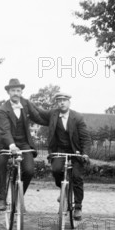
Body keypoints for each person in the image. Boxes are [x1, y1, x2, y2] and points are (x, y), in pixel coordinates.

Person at [32, 92, 91, 221]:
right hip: (59, 150)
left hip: (76, 151)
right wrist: (25, 102)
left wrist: (85, 153)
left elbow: (85, 138)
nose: (62, 103)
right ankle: (62, 190)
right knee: (56, 170)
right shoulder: (53, 114)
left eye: (64, 100)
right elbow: (39, 111)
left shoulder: (78, 117)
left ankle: (78, 207)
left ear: (69, 102)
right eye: (59, 101)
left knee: (77, 177)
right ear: (57, 103)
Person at [0, 78, 45, 211]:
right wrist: (11, 146)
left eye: (18, 90)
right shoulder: (3, 110)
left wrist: (54, 119)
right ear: (8, 92)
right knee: (1, 164)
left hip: (23, 143)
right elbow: (5, 130)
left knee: (29, 170)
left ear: (21, 92)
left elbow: (38, 116)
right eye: (13, 91)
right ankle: (2, 199)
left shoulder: (26, 104)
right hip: (5, 143)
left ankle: (18, 197)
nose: (16, 93)